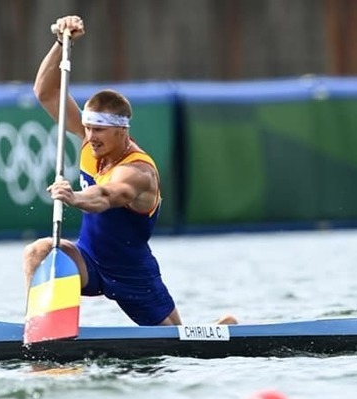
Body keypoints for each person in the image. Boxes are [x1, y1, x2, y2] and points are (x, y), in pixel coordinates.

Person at [24, 15, 238, 327]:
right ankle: (40, 326)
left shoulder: (139, 172)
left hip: (131, 272)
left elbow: (108, 196)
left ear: (121, 131)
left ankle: (220, 331)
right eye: (87, 128)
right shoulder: (89, 141)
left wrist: (74, 197)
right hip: (88, 260)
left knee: (176, 341)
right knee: (38, 251)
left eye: (99, 130)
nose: (90, 136)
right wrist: (60, 44)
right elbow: (45, 93)